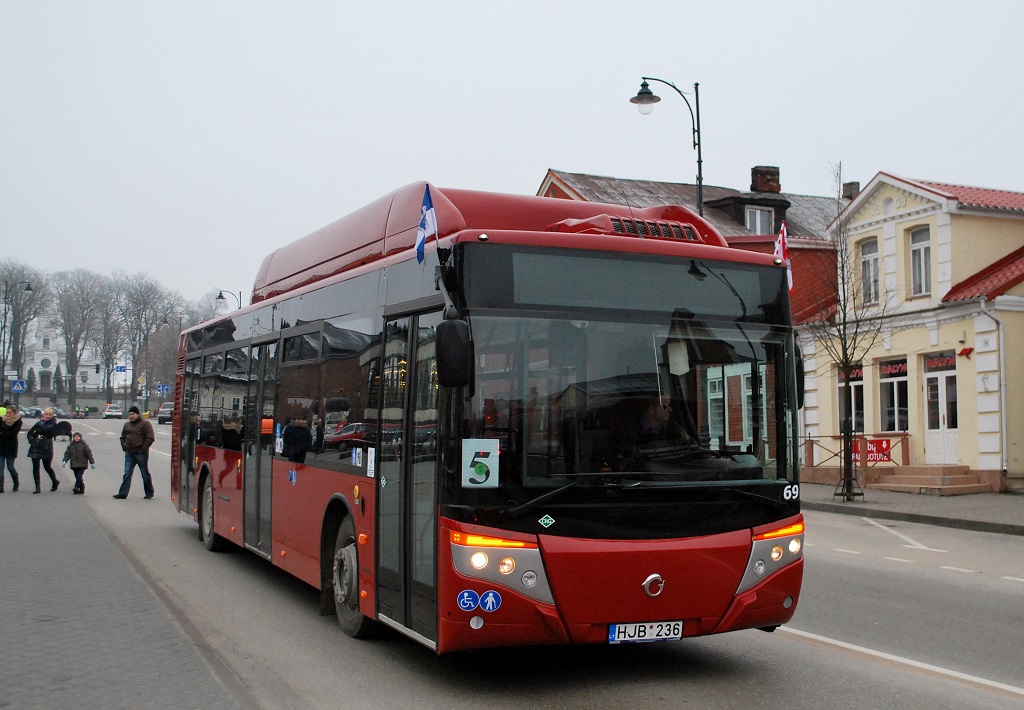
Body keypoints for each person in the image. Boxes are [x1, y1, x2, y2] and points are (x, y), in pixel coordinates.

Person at [615, 396, 698, 472]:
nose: (670, 409)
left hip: (674, 479)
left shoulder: (675, 429)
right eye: (665, 406)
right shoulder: (630, 433)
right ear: (651, 410)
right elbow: (624, 467)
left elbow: (695, 451)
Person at [114, 405, 155, 500]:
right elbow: (123, 437)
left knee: (145, 473)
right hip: (129, 453)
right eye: (130, 414)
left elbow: (150, 438)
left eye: (133, 414)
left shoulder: (145, 424)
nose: (131, 416)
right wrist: (124, 446)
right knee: (127, 473)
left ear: (137, 414)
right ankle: (123, 493)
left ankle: (149, 492)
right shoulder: (127, 425)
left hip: (141, 453)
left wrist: (143, 449)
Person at [26, 407, 61, 493]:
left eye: (50, 414)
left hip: (46, 447)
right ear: (43, 414)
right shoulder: (39, 423)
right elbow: (30, 432)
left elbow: (46, 429)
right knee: (35, 468)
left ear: (52, 416)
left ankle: (55, 481)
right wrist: (32, 440)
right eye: (46, 414)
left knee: (47, 467)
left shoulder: (53, 424)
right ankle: (37, 487)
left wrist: (41, 423)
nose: (48, 416)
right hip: (36, 446)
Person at [0, 402, 22, 492]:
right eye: (7, 413)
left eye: (10, 413)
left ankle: (16, 483)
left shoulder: (18, 421)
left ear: (15, 413)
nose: (8, 414)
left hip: (11, 447)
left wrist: (3, 432)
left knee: (10, 467)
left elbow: (13, 433)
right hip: (1, 446)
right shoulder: (1, 420)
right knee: (0, 467)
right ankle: (1, 487)